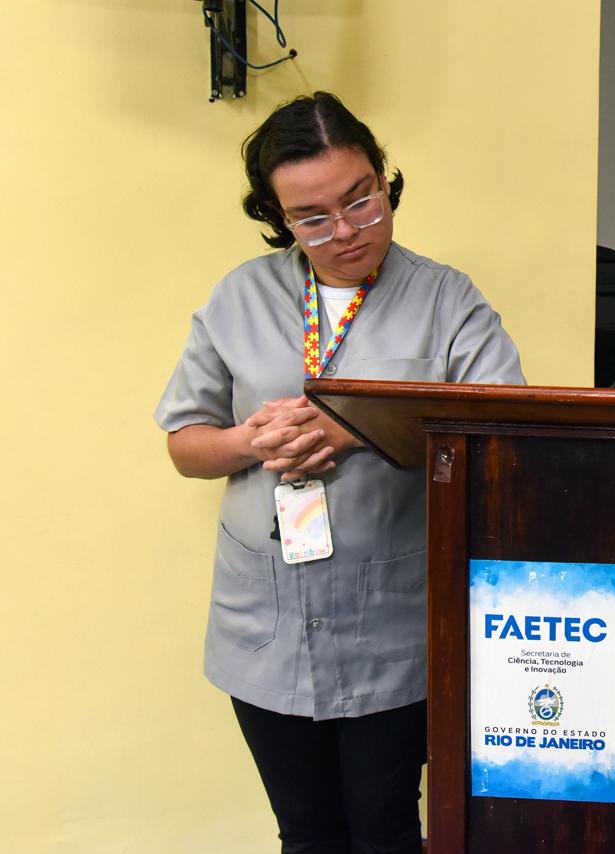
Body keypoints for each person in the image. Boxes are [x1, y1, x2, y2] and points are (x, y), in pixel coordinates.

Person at [155, 92, 525, 853]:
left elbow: (504, 434)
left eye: (361, 200)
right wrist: (251, 441)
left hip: (394, 620)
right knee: (306, 832)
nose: (347, 231)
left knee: (385, 828)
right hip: (264, 620)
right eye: (313, 217)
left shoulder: (447, 300)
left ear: (384, 177)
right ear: (277, 215)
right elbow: (186, 444)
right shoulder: (239, 296)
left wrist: (358, 430)